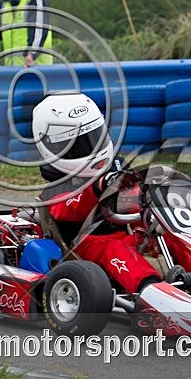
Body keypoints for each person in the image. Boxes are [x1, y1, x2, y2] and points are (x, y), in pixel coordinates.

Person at [32, 91, 161, 294]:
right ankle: (152, 292)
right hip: (87, 246)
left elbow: (135, 196)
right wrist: (97, 187)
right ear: (52, 146)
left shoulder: (116, 165)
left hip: (129, 234)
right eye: (79, 145)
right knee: (115, 249)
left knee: (170, 235)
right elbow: (68, 209)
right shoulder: (56, 184)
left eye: (95, 139)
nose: (91, 149)